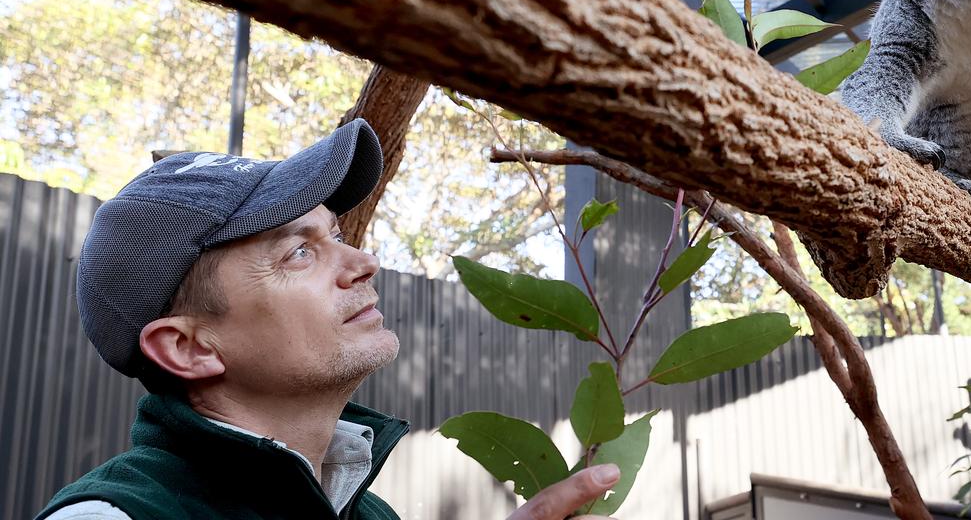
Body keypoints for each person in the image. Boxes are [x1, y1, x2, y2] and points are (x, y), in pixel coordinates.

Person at [38, 119, 618, 520]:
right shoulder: (119, 514)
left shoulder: (368, 512)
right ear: (188, 348)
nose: (364, 262)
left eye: (336, 235)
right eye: (298, 252)